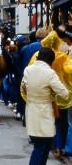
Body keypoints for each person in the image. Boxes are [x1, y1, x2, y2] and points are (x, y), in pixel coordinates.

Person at [21, 47, 69, 165]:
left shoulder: (28, 69)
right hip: (45, 113)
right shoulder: (50, 73)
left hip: (31, 110)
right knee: (41, 147)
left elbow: (23, 88)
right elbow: (64, 93)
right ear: (51, 60)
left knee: (41, 146)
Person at [16, 28, 49, 123]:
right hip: (43, 76)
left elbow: (19, 62)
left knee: (27, 98)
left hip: (27, 75)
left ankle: (24, 116)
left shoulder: (26, 48)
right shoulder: (47, 47)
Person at [56, 24, 72, 157]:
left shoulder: (64, 48)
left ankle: (65, 147)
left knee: (65, 120)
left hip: (66, 88)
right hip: (66, 88)